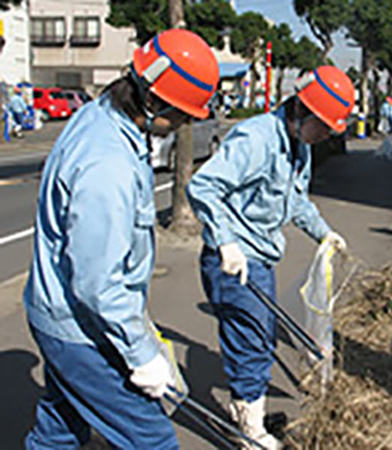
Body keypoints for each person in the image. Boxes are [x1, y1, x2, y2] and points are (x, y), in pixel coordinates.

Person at [23, 28, 219, 449]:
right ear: (154, 101)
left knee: (61, 423)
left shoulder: (101, 116)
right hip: (79, 328)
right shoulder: (107, 164)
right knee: (151, 438)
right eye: (182, 114)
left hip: (57, 310)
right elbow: (97, 283)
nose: (182, 124)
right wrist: (141, 353)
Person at [187, 65, 355, 449]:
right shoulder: (257, 138)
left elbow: (296, 200)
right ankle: (250, 432)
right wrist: (225, 242)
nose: (327, 135)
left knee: (260, 338)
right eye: (324, 126)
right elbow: (203, 185)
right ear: (302, 111)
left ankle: (248, 411)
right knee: (251, 340)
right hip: (232, 259)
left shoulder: (300, 147)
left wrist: (324, 233)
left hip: (260, 257)